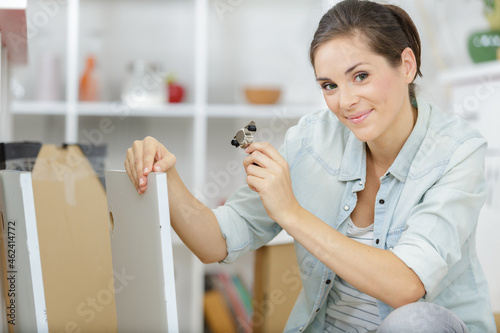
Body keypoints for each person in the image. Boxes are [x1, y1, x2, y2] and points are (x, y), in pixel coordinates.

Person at [124, 0, 496, 331]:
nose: (346, 101)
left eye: (360, 76)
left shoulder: (457, 153)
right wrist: (165, 176)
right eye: (329, 86)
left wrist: (290, 212)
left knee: (416, 321)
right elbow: (216, 243)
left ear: (407, 65)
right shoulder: (310, 140)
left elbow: (405, 286)